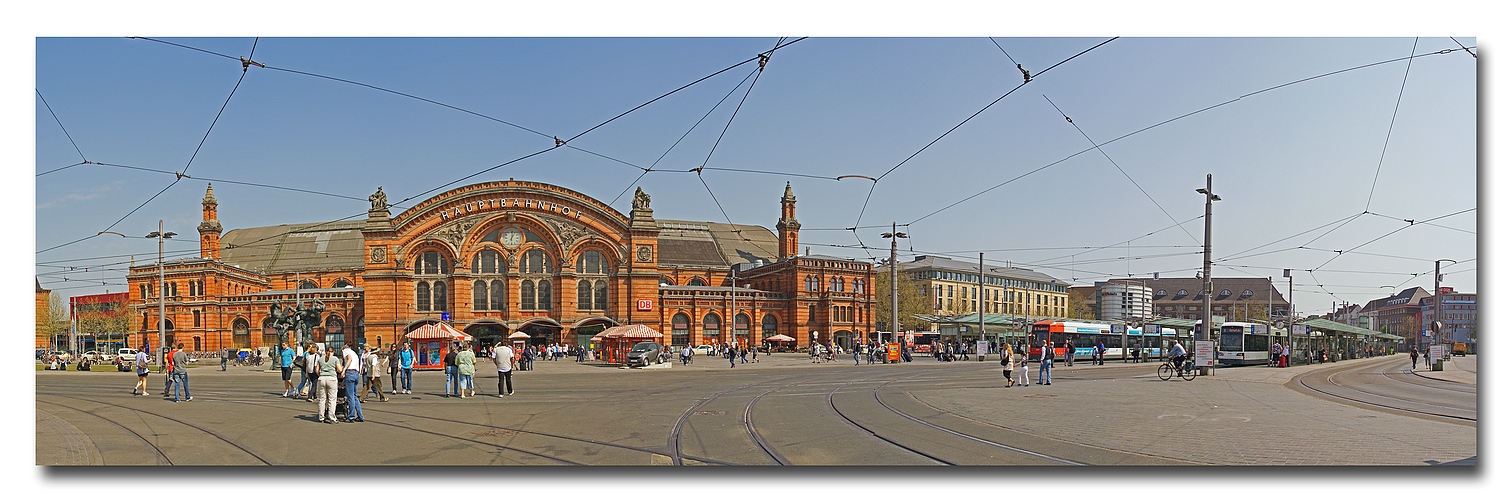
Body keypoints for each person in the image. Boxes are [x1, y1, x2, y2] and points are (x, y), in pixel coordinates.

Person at [314, 344, 341, 424]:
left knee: (322, 399)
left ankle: (321, 417)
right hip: (332, 379)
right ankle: (332, 417)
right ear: (333, 352)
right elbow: (339, 370)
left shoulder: (321, 359)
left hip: (322, 379)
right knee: (332, 399)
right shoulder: (335, 359)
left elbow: (316, 370)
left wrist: (321, 375)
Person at [341, 342, 364, 422]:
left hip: (350, 372)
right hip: (356, 374)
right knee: (354, 396)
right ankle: (360, 416)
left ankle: (351, 416)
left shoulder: (346, 351)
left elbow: (349, 359)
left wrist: (344, 370)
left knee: (350, 396)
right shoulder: (354, 352)